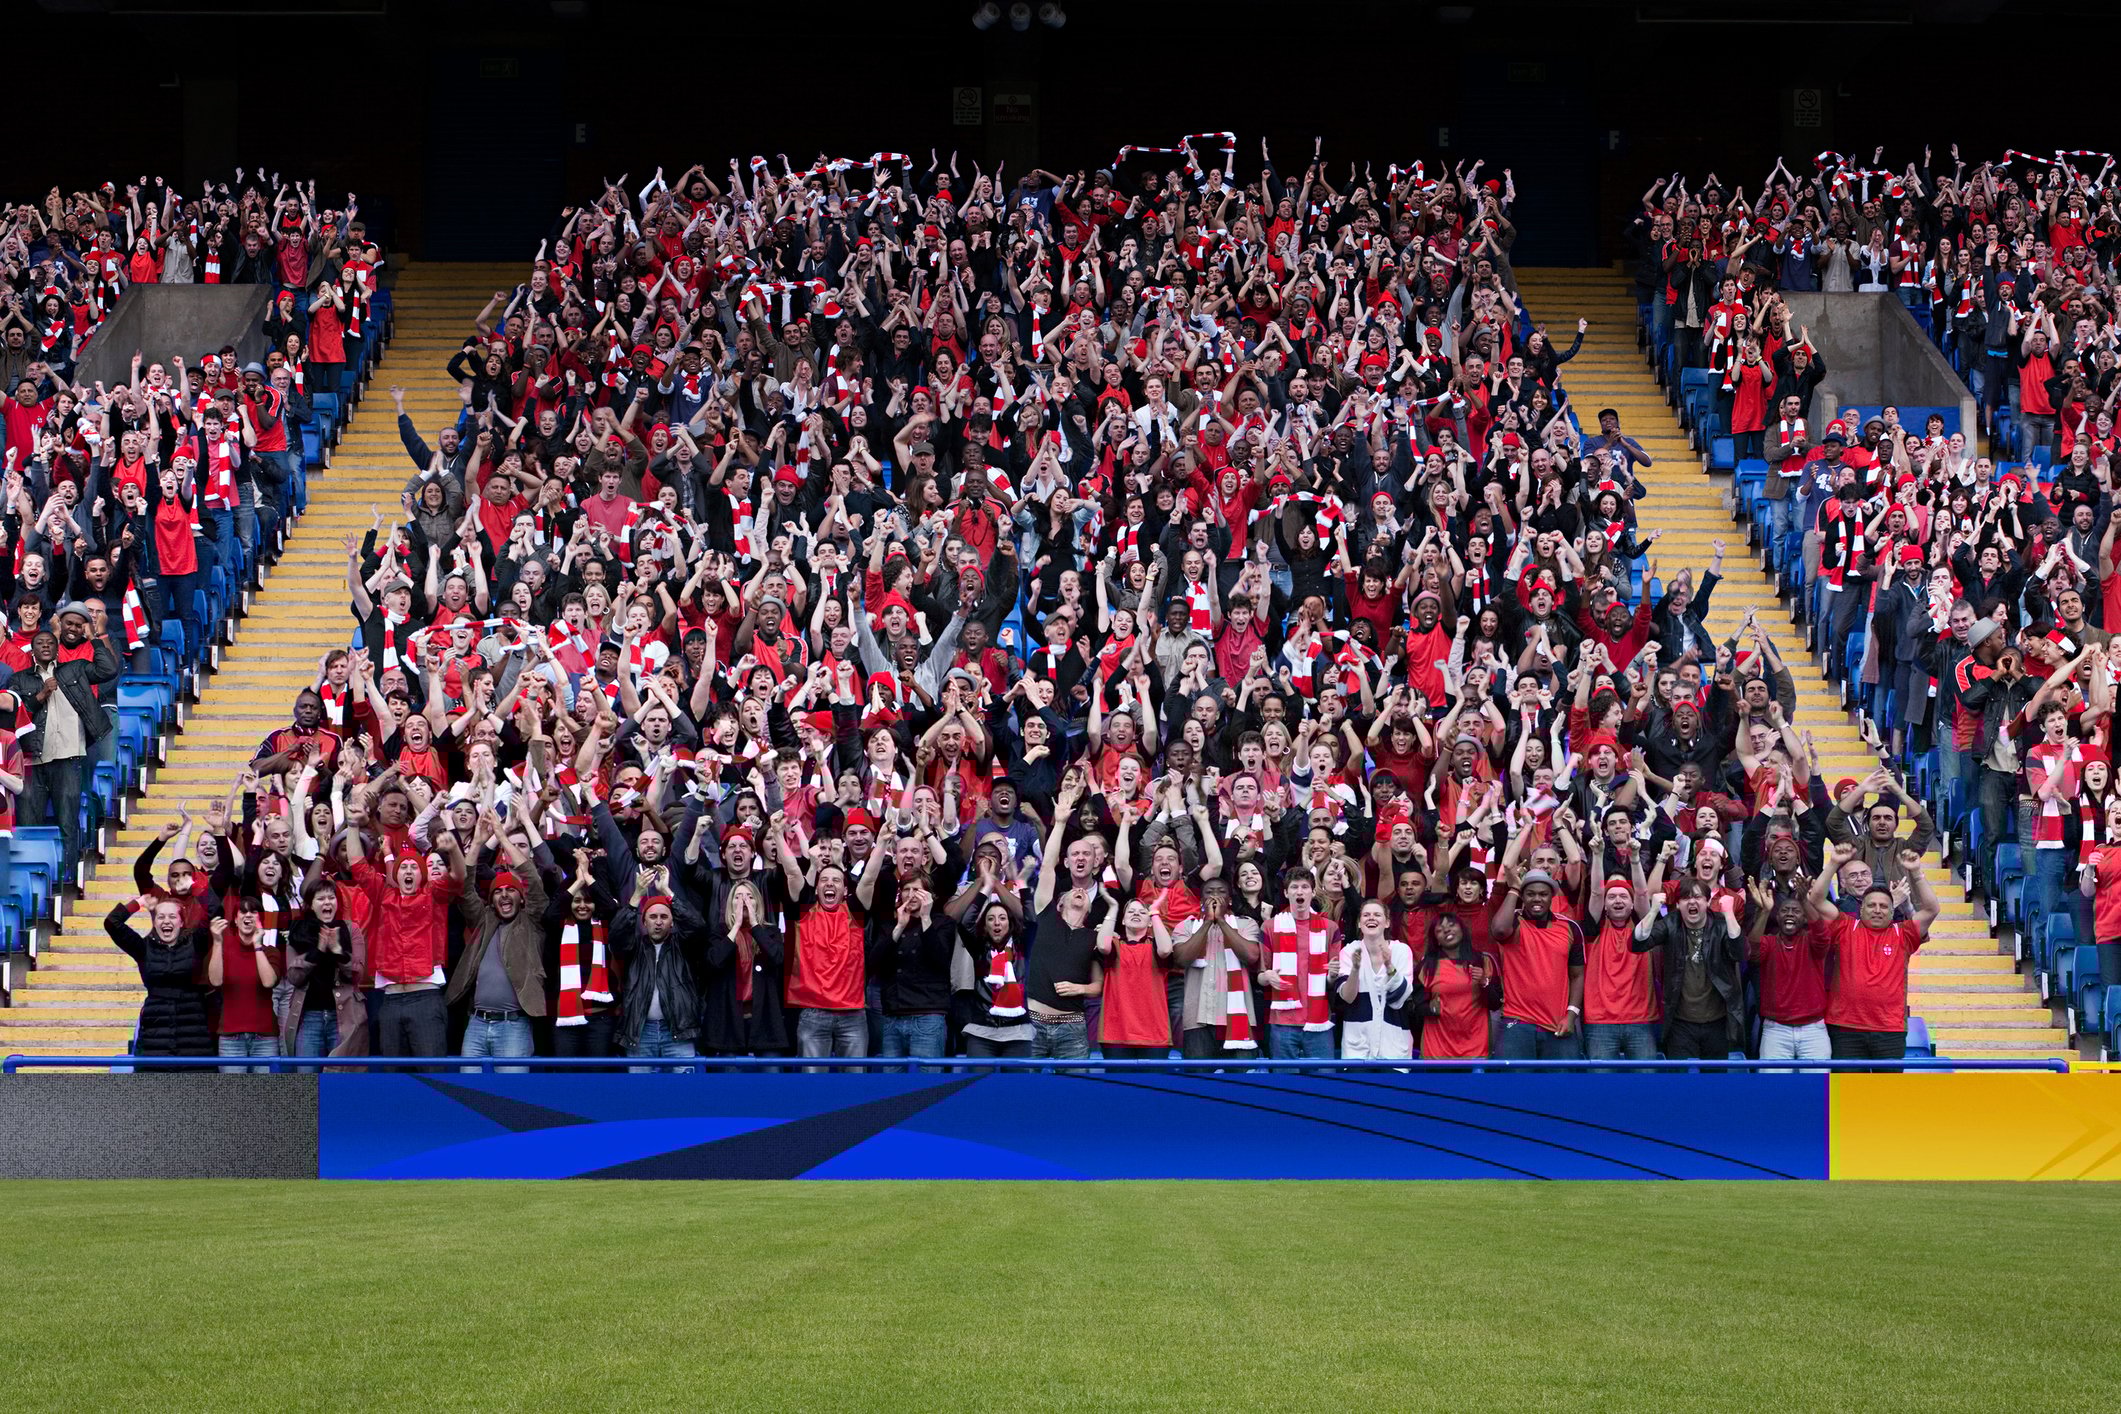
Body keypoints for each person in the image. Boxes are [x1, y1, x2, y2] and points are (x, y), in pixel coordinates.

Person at [1809, 842, 1942, 1064]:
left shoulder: (1904, 934)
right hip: (1845, 1027)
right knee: (1847, 1086)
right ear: (1861, 909)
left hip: (1889, 1028)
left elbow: (1932, 909)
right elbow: (1816, 899)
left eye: (1884, 906)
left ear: (1892, 910)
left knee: (1886, 1087)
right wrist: (1833, 863)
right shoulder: (1845, 927)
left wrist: (1916, 873)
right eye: (1871, 906)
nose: (1877, 910)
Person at [1334, 898, 1415, 1060]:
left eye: (1377, 915)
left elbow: (1398, 999)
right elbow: (1348, 998)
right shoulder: (1350, 951)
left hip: (1393, 1047)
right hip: (1357, 1048)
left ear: (1387, 923)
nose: (1371, 918)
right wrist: (1355, 969)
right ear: (1359, 923)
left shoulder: (1401, 951)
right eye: (1366, 915)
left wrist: (1389, 965)